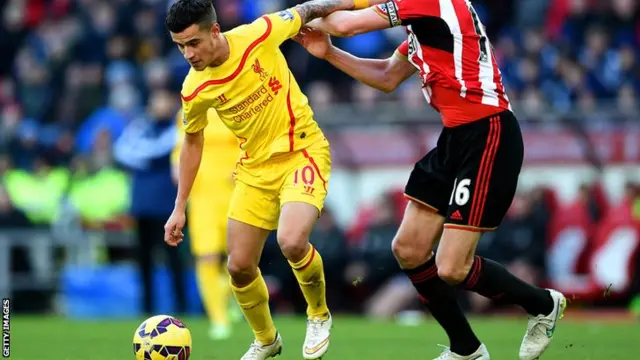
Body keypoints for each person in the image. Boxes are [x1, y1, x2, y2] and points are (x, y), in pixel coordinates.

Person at [295, 1, 566, 360]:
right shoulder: (423, 28)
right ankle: (466, 349)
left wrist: (306, 11)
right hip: (455, 137)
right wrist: (328, 54)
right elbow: (388, 77)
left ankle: (543, 303)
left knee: (453, 267)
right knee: (408, 248)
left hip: (488, 132)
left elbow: (346, 24)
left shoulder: (432, 3)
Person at [163, 1, 383, 359]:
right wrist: (179, 207)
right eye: (180, 46)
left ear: (214, 30)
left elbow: (310, 8)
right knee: (238, 266)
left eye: (193, 42)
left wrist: (360, 3)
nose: (188, 53)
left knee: (292, 241)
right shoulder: (194, 89)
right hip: (254, 170)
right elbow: (192, 141)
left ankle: (318, 314)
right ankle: (266, 340)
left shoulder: (259, 33)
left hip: (303, 151)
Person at [171, 108, 239, 340]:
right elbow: (180, 147)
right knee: (207, 257)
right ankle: (219, 319)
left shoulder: (237, 104)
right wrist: (177, 170)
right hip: (203, 199)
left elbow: (251, 144)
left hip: (237, 194)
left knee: (241, 260)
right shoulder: (190, 109)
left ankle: (228, 294)